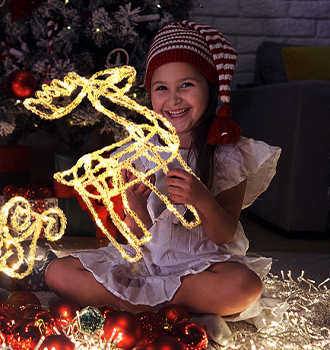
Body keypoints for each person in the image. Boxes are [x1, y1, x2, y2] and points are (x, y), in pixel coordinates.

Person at [45, 21, 282, 320]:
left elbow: (224, 234)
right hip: (146, 264)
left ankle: (141, 301)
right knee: (58, 272)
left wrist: (202, 198)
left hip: (203, 267)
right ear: (150, 96)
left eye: (186, 85)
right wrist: (135, 207)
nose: (173, 99)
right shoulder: (137, 154)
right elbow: (134, 237)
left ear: (210, 89)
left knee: (245, 286)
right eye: (161, 88)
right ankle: (158, 302)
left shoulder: (229, 156)